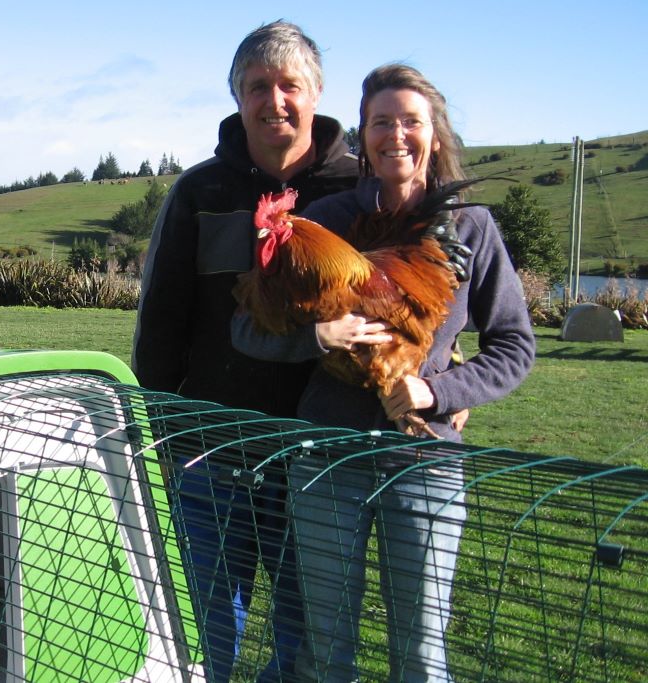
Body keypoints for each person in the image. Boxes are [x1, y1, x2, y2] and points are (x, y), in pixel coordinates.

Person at [231, 63, 536, 681]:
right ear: (364, 135)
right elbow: (248, 325)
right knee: (324, 647)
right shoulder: (331, 215)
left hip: (423, 459)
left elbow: (514, 346)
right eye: (380, 122)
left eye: (410, 121)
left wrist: (438, 388)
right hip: (326, 454)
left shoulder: (471, 225)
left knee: (420, 653)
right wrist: (316, 337)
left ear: (434, 133)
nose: (395, 134)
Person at [131, 20, 358, 683]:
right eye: (257, 85)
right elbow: (161, 321)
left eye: (290, 84)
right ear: (236, 96)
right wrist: (165, 423)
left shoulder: (358, 188)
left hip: (319, 454)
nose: (274, 100)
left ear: (316, 92)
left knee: (304, 627)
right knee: (205, 625)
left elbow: (411, 288)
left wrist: (442, 364)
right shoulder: (199, 193)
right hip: (210, 443)